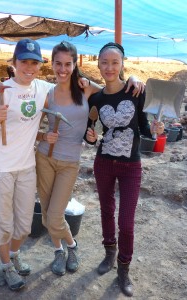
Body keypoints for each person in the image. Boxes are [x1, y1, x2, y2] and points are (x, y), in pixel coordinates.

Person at [35, 41, 145, 277]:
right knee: (50, 214)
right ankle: (64, 251)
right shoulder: (52, 94)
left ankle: (85, 252)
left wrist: (135, 77)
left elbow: (117, 91)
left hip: (86, 162)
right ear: (52, 64)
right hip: (57, 158)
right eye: (58, 64)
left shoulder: (95, 89)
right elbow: (31, 128)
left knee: (58, 216)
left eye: (68, 64)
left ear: (75, 65)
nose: (62, 69)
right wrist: (46, 135)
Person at [85, 42, 164, 297]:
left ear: (122, 64)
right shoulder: (96, 98)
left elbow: (143, 128)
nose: (109, 67)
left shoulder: (135, 92)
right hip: (104, 163)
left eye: (114, 62)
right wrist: (89, 137)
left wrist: (155, 130)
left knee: (126, 222)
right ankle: (109, 253)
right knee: (107, 211)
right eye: (104, 62)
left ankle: (124, 268)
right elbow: (92, 134)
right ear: (98, 64)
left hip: (131, 166)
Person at [0, 38, 54, 291]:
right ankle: (5, 266)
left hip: (26, 167)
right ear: (14, 63)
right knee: (4, 224)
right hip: (0, 169)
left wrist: (128, 79)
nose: (30, 67)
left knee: (23, 225)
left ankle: (13, 254)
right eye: (24, 61)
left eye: (35, 62)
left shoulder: (42, 88)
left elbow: (78, 85)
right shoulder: (0, 92)